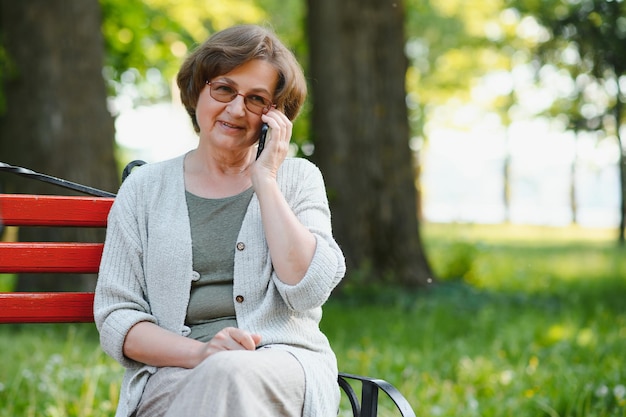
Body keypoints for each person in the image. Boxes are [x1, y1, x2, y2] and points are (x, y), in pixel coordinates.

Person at [94, 24, 346, 417]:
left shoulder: (297, 180)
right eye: (224, 89)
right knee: (222, 375)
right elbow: (117, 318)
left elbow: (307, 289)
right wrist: (201, 353)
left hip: (282, 368)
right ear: (199, 89)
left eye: (256, 99)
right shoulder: (144, 189)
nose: (235, 109)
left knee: (230, 374)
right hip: (174, 373)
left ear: (274, 117)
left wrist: (266, 179)